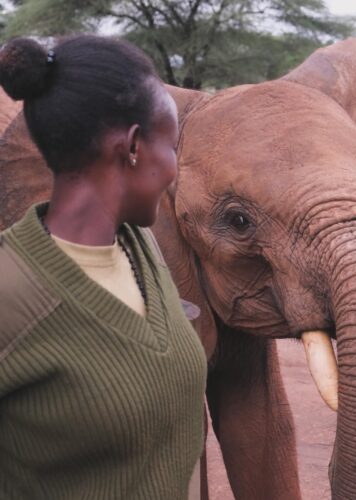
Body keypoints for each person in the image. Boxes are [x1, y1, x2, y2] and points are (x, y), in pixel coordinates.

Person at [0, 35, 207, 500]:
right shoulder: (9, 290)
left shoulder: (145, 252)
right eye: (171, 147)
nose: (175, 169)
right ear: (133, 147)